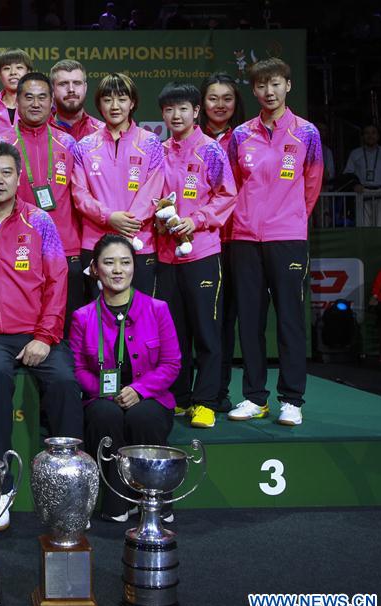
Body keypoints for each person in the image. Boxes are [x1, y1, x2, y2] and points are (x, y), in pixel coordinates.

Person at [0, 142, 82, 531]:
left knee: (63, 382)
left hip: (37, 331)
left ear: (18, 177)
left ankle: (69, 487)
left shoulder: (39, 222)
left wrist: (44, 336)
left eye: (6, 172)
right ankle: (0, 488)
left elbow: (58, 280)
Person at [226, 58, 323, 425]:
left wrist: (291, 218)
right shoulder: (241, 135)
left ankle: (292, 399)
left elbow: (311, 186)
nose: (269, 91)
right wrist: (246, 221)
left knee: (290, 321)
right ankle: (254, 397)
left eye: (276, 84)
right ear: (254, 90)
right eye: (262, 85)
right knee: (249, 321)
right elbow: (233, 186)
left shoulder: (307, 133)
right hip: (245, 238)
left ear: (288, 86)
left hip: (288, 238)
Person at [70, 234, 180, 521]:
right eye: (109, 263)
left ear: (135, 267)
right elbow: (79, 368)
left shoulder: (158, 310)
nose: (117, 270)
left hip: (151, 397)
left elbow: (171, 363)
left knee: (143, 416)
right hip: (103, 397)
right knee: (104, 415)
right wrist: (105, 392)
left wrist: (140, 390)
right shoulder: (82, 316)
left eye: (125, 262)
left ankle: (155, 499)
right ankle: (117, 501)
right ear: (95, 268)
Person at [155, 83, 236, 429]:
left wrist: (195, 221)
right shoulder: (157, 151)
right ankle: (180, 396)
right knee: (174, 332)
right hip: (165, 256)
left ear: (196, 111)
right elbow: (151, 196)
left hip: (202, 252)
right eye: (170, 110)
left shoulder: (211, 151)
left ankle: (205, 401)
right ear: (163, 114)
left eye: (183, 109)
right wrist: (159, 219)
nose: (176, 116)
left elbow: (226, 196)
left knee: (206, 330)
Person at [0, 72, 82, 331]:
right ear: (16, 101)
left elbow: (81, 195)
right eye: (28, 97)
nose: (36, 104)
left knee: (68, 328)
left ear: (52, 102)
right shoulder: (2, 144)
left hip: (66, 246)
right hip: (17, 247)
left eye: (42, 97)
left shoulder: (68, 143)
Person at [71, 73, 164, 295]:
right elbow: (79, 194)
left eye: (122, 99)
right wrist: (108, 217)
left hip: (140, 244)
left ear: (132, 103)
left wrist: (128, 225)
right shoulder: (84, 146)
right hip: (95, 244)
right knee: (99, 318)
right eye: (107, 99)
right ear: (99, 104)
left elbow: (154, 190)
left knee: (140, 317)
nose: (115, 106)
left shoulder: (150, 142)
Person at [200, 73, 245, 413]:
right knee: (196, 321)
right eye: (213, 98)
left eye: (226, 98)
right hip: (199, 241)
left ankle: (219, 390)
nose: (219, 105)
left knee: (224, 319)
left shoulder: (244, 138)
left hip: (235, 239)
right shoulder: (192, 138)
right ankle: (188, 392)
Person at [343, 124, 381, 227]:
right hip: (362, 193)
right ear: (363, 136)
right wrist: (354, 185)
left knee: (380, 226)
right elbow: (347, 174)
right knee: (363, 227)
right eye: (367, 133)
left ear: (378, 136)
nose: (370, 136)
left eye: (373, 133)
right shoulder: (355, 153)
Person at [49, 59, 105, 141]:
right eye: (63, 84)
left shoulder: (102, 131)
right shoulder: (41, 131)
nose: (71, 89)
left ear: (85, 88)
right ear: (52, 90)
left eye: (77, 83)